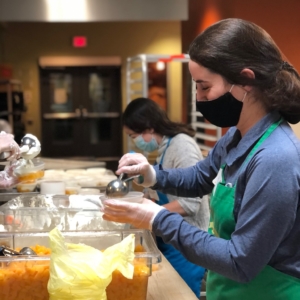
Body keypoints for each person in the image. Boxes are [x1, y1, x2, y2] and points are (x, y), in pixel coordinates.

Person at [101, 18, 300, 300]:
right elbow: (198, 177)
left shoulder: (276, 159)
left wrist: (157, 217)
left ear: (245, 81)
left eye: (205, 88)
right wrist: (152, 174)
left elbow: (239, 261)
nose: (199, 98)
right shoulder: (236, 138)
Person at [122, 97, 209, 297]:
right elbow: (167, 189)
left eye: (133, 135)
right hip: (171, 236)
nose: (134, 141)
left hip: (188, 241)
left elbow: (190, 203)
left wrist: (147, 213)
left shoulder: (182, 146)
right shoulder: (165, 147)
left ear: (149, 128)